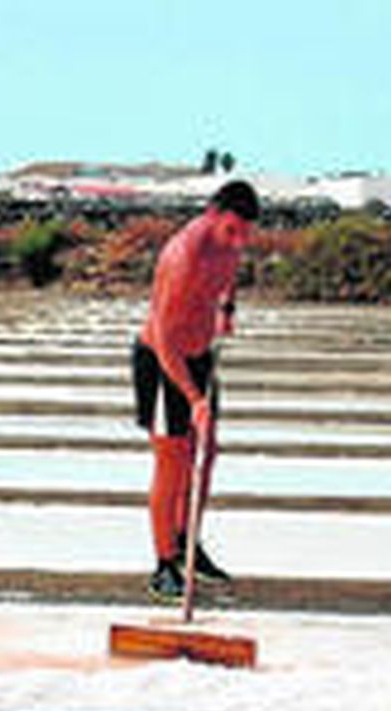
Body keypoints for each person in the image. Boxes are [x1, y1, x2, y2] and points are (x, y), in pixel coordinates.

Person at [131, 180, 259, 599]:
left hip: (201, 357)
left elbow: (229, 277)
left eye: (245, 234)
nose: (239, 241)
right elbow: (164, 338)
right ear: (212, 214)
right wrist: (193, 398)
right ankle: (164, 563)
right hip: (163, 362)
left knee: (205, 454)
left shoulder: (231, 245)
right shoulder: (182, 255)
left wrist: (226, 310)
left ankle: (188, 542)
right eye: (233, 231)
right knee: (173, 460)